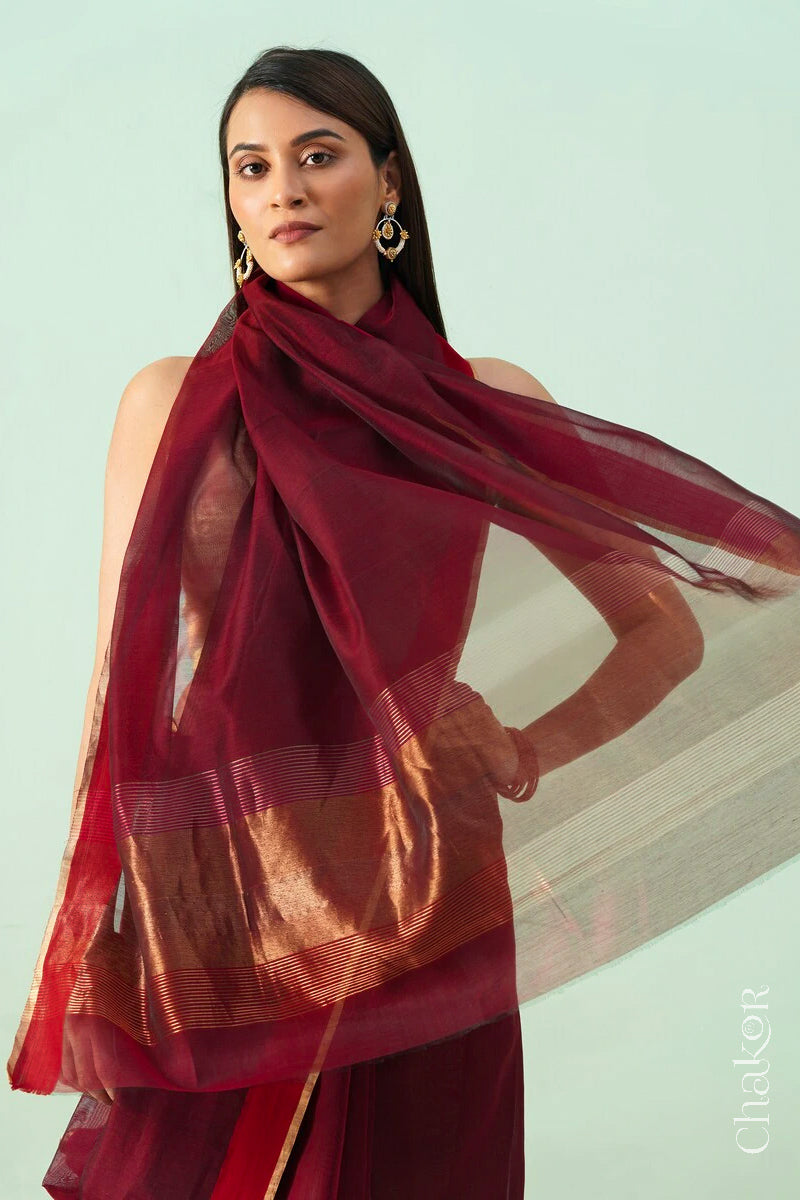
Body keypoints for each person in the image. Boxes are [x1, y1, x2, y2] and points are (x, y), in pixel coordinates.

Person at [9, 46, 800, 1199]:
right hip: (226, 886)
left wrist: (527, 749)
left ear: (387, 184)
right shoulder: (170, 399)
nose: (280, 188)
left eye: (315, 156)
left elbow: (665, 632)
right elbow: (114, 689)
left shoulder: (481, 402)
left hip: (428, 880)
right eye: (250, 167)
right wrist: (84, 926)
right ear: (229, 200)